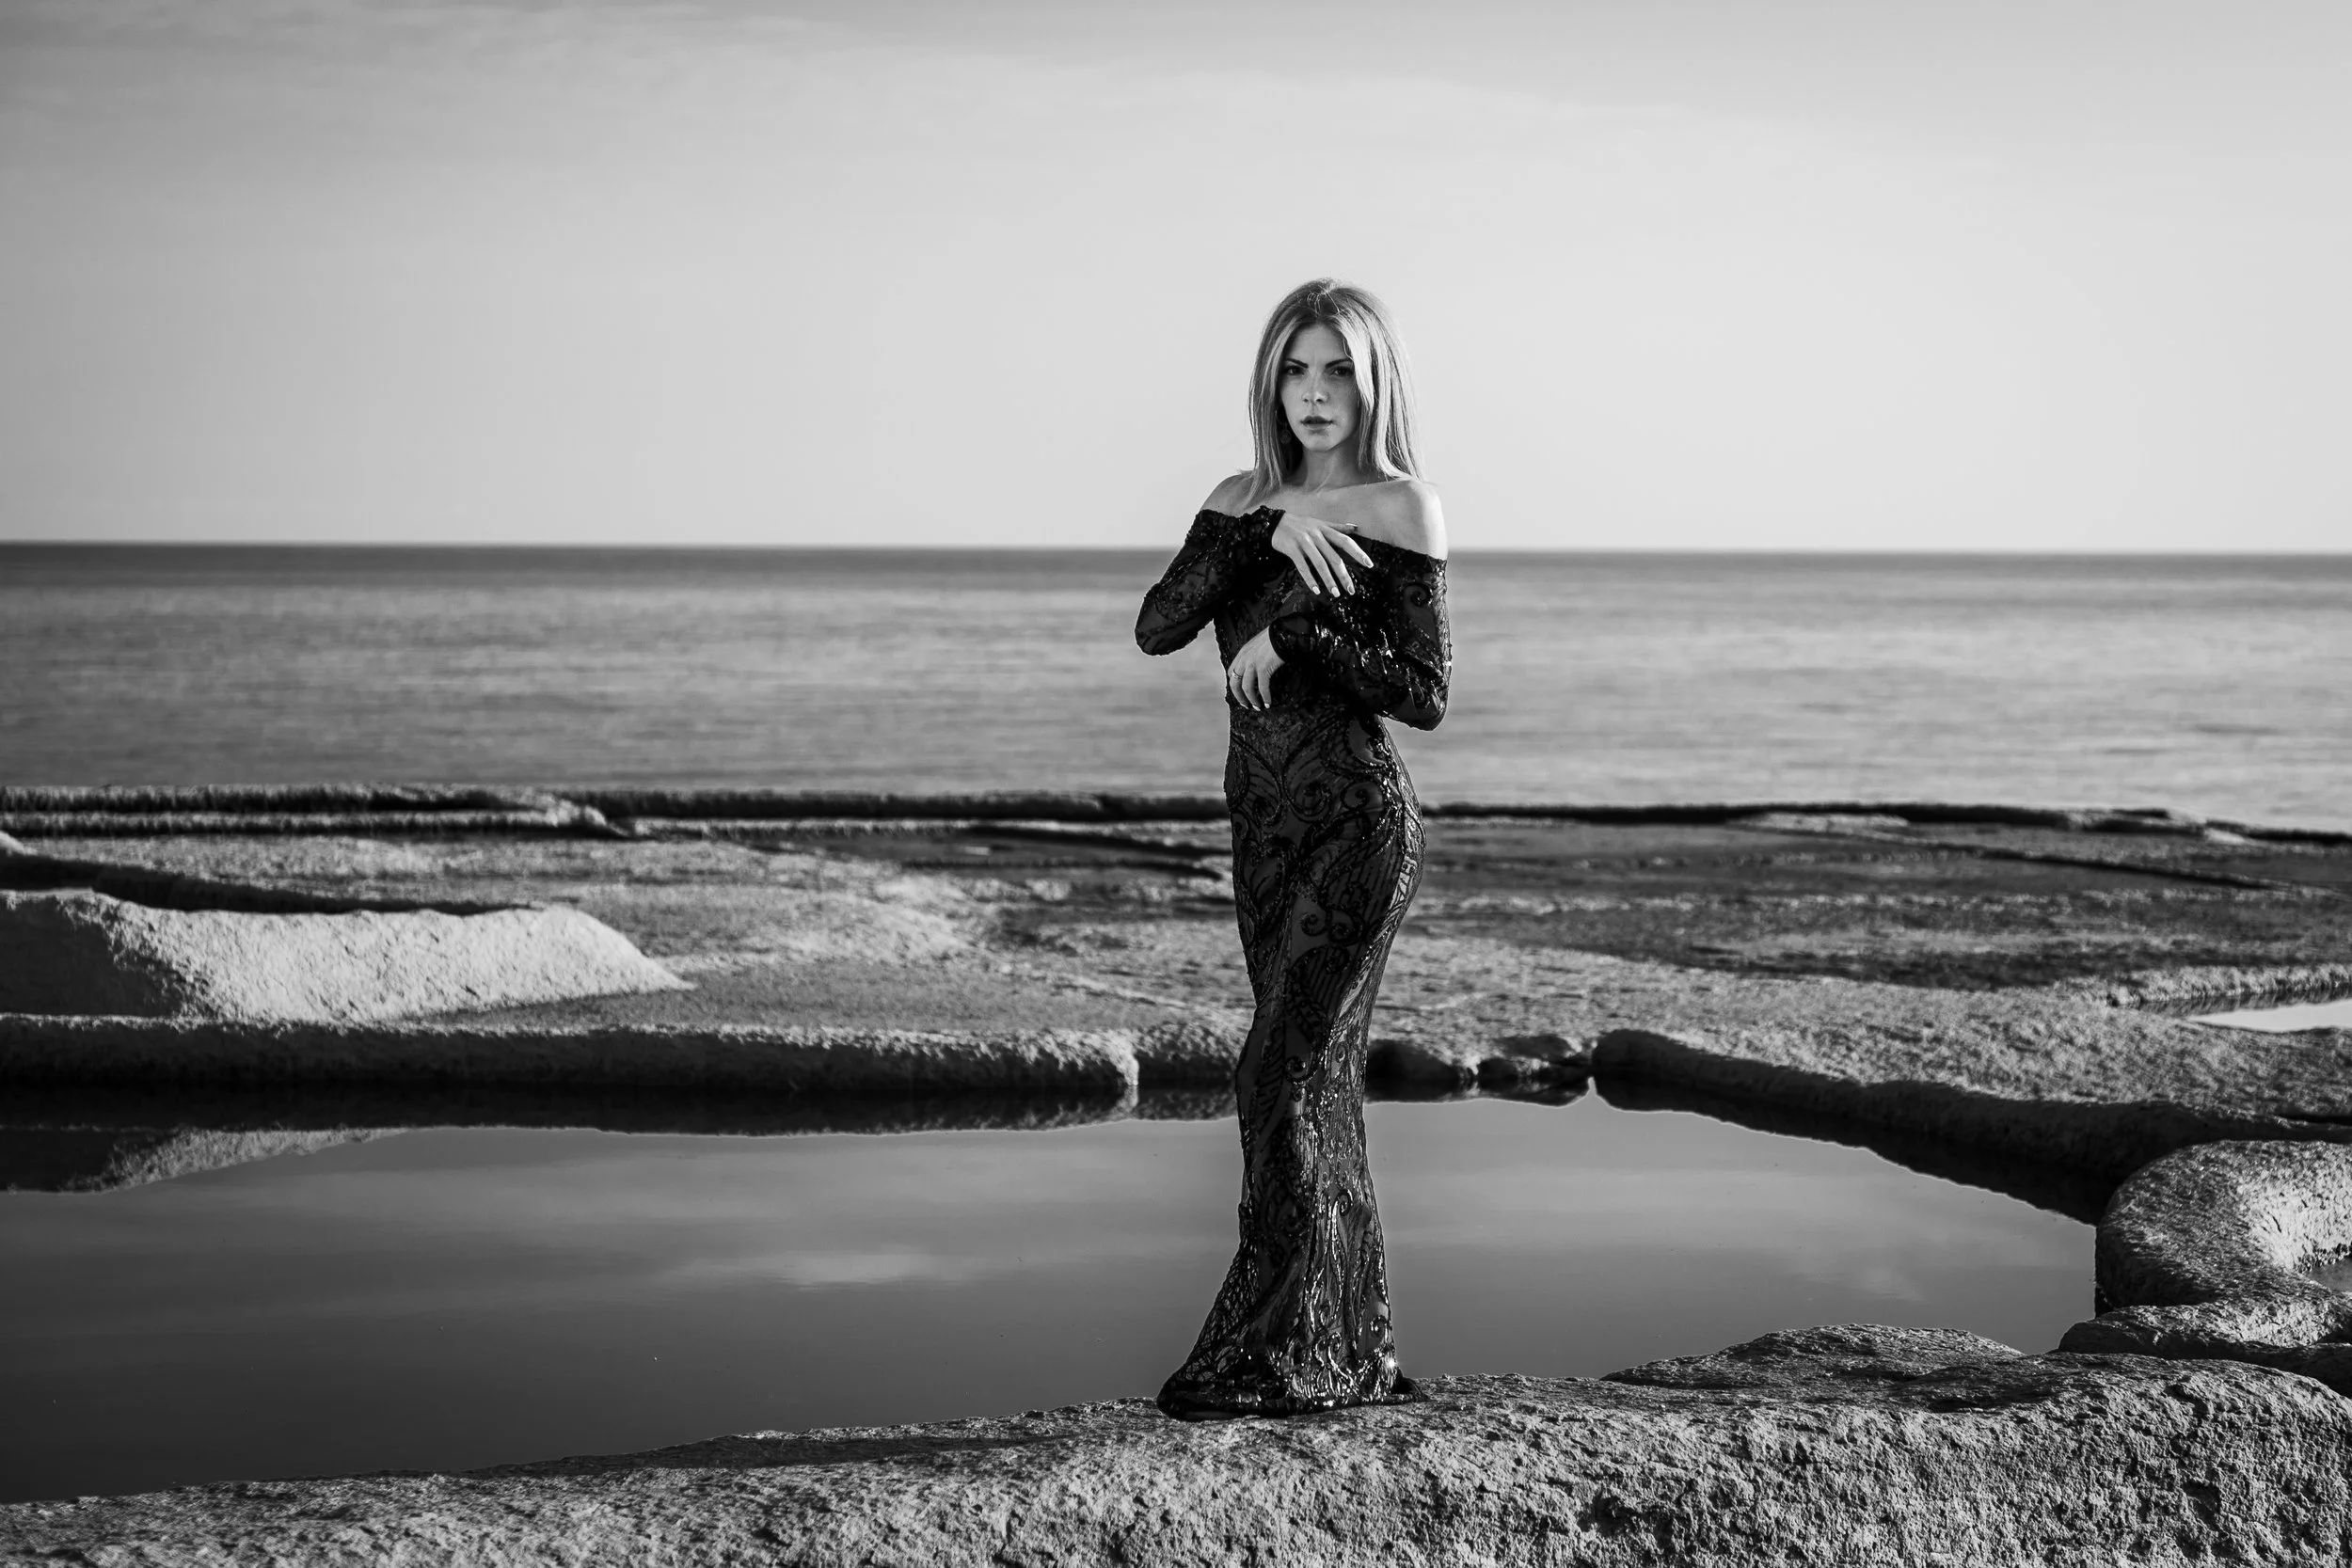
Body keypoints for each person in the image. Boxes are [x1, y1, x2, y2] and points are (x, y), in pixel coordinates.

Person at [1135, 277, 1451, 1418]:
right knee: (1315, 1086)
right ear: (1271, 381)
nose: (1315, 393)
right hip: (1261, 830)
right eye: (1296, 369)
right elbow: (1158, 624)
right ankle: (1343, 1343)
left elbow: (1424, 691)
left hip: (1358, 823)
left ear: (1374, 384)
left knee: (1275, 1072)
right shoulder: (1240, 500)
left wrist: (1298, 633)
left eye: (1338, 371)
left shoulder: (1401, 504)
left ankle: (1285, 1351)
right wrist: (1266, 530)